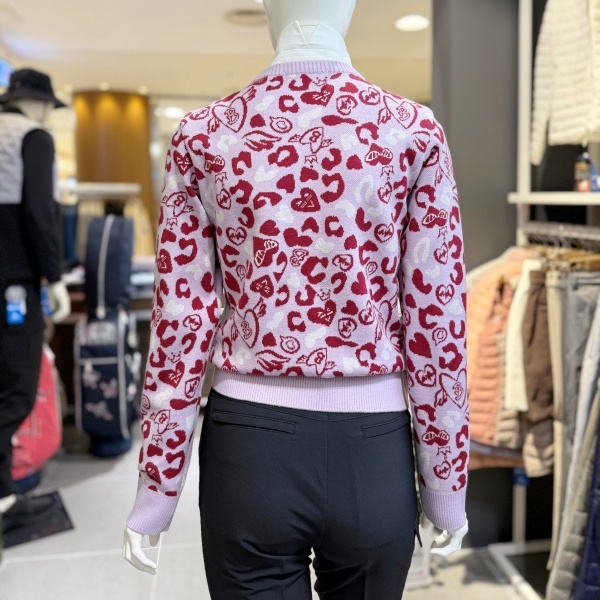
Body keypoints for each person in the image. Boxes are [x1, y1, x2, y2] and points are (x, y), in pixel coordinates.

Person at [123, 0, 469, 596]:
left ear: (267, 10)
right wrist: (446, 484)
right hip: (372, 454)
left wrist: (156, 489)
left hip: (249, 453)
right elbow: (437, 317)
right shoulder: (411, 131)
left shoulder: (206, 134)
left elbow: (180, 320)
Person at [0, 68, 71, 535]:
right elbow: (39, 211)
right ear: (42, 103)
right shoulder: (32, 137)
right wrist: (55, 277)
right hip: (13, 282)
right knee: (16, 388)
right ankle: (2, 494)